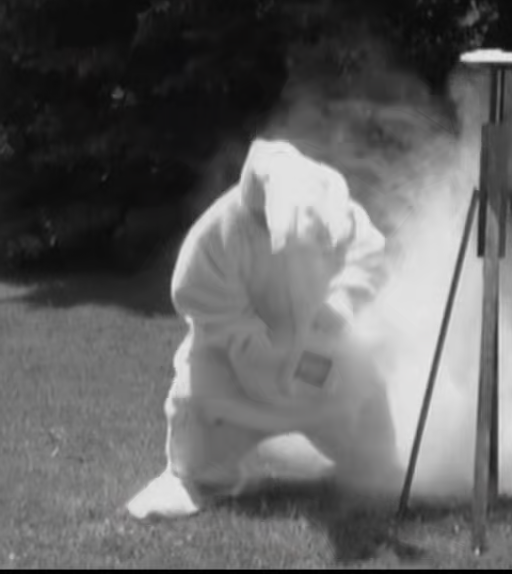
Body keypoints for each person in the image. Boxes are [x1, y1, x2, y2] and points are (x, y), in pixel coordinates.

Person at [126, 139, 398, 521]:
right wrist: (269, 359)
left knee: (361, 399)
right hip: (232, 371)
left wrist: (340, 303)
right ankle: (194, 476)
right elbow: (211, 310)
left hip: (317, 356)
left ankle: (371, 464)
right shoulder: (216, 237)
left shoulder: (331, 210)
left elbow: (368, 255)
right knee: (201, 417)